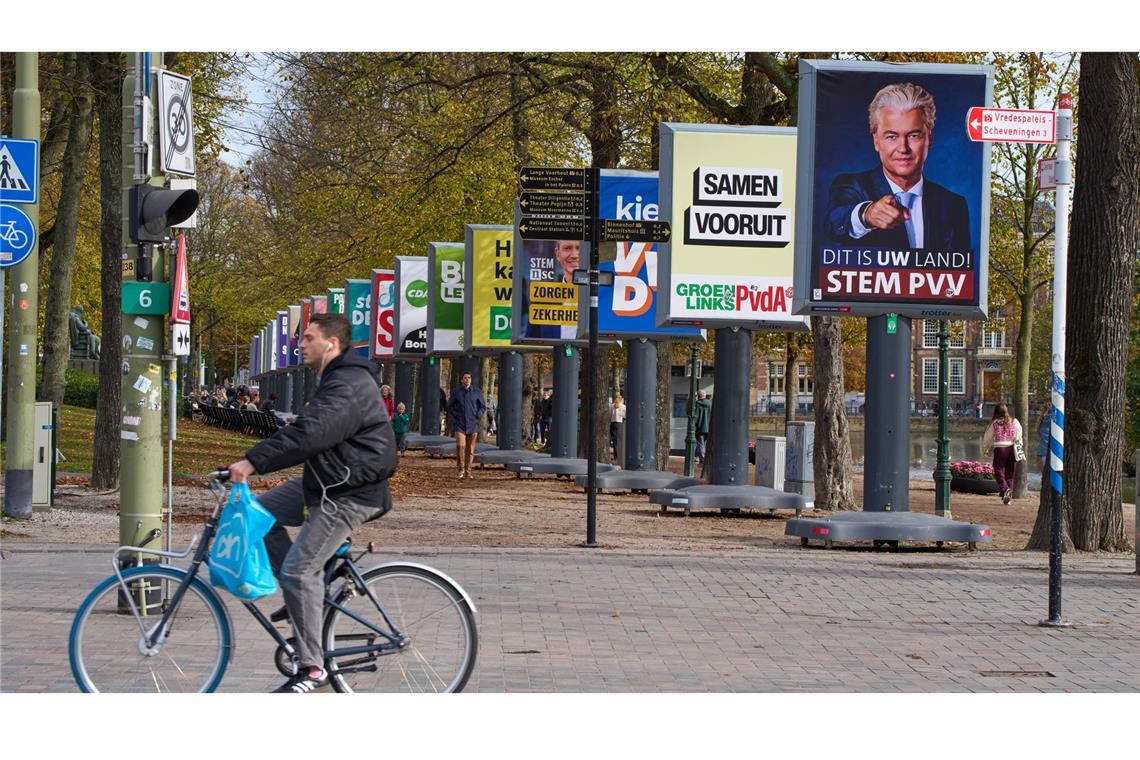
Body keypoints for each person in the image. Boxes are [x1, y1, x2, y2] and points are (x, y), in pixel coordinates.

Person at [226, 313, 397, 693]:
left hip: (349, 492)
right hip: (326, 482)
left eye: (307, 338)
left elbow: (311, 433)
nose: (299, 344)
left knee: (297, 571)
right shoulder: (335, 378)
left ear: (330, 344)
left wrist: (253, 461)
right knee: (259, 515)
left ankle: (312, 668)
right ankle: (305, 596)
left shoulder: (347, 384)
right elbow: (310, 432)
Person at [825, 82, 970, 254]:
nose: (903, 148)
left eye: (913, 135)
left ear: (929, 139)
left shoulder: (953, 205)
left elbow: (960, 274)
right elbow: (835, 222)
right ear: (876, 141)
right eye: (892, 136)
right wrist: (867, 214)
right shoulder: (851, 186)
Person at [982, 402, 1023, 505]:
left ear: (996, 412)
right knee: (1010, 473)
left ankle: (1005, 489)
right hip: (1012, 448)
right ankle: (1008, 494)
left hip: (1000, 448)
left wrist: (986, 448)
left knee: (999, 470)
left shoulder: (994, 423)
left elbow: (988, 437)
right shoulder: (1015, 421)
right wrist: (1020, 448)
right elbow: (1019, 435)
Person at [448, 371, 485, 479]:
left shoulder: (477, 392)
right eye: (465, 378)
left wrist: (477, 415)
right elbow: (450, 406)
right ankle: (460, 468)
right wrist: (456, 415)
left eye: (469, 378)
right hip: (460, 424)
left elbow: (482, 406)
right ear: (461, 380)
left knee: (470, 449)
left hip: (473, 424)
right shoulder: (456, 392)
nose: (467, 379)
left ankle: (468, 471)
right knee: (460, 446)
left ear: (471, 380)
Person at [694, 390, 712, 466]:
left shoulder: (696, 404)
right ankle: (706, 459)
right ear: (705, 395)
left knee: (701, 444)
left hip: (700, 427)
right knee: (705, 444)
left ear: (698, 396)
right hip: (709, 427)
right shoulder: (709, 403)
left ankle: (702, 461)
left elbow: (695, 416)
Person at [609, 393, 626, 461]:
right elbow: (625, 416)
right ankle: (620, 455)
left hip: (613, 423)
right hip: (620, 423)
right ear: (621, 399)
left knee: (615, 440)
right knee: (620, 440)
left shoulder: (611, 406)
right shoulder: (623, 406)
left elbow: (609, 415)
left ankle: (616, 455)